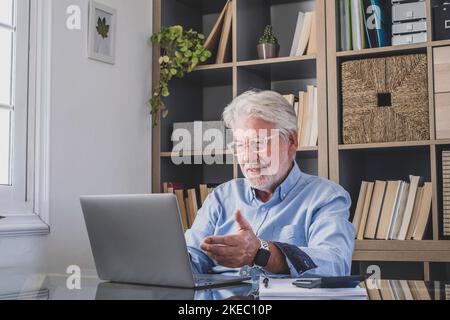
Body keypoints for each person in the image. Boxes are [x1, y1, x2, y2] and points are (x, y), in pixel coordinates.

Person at [185, 90, 355, 277]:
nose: (247, 157)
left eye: (258, 143)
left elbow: (334, 264)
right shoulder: (221, 196)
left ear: (291, 141)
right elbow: (191, 256)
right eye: (240, 145)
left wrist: (261, 253)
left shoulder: (326, 197)